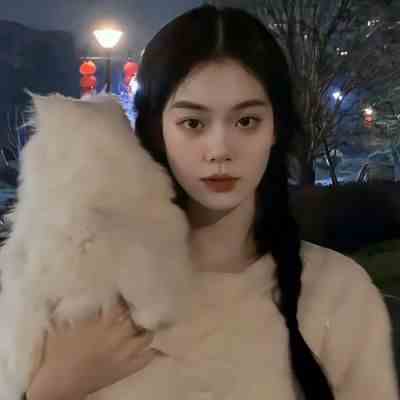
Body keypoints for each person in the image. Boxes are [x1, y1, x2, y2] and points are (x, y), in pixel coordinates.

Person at [26, 4, 398, 400]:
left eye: (246, 121)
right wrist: (54, 388)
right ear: (156, 129)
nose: (219, 149)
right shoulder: (79, 295)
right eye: (193, 123)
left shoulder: (337, 293)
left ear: (275, 128)